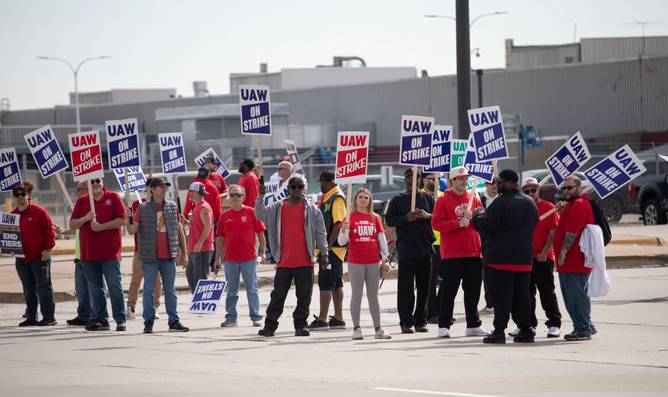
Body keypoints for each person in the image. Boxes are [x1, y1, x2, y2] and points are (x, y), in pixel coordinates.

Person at [255, 176, 329, 337]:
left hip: (305, 262)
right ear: (288, 188)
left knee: (304, 297)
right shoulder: (277, 207)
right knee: (277, 297)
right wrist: (260, 197)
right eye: (293, 186)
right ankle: (269, 327)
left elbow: (320, 233)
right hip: (284, 262)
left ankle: (301, 326)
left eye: (300, 186)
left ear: (305, 188)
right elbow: (260, 216)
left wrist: (324, 253)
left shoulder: (312, 209)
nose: (296, 189)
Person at [472, 169, 538, 344]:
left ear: (509, 182)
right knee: (522, 296)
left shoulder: (501, 203)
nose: (496, 184)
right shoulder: (530, 202)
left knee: (501, 297)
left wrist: (477, 217)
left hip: (500, 260)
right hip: (523, 259)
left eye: (499, 181)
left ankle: (499, 331)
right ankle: (526, 329)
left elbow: (487, 226)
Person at [432, 166, 489, 338]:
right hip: (452, 253)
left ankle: (473, 324)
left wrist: (477, 218)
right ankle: (444, 325)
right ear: (452, 181)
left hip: (473, 252)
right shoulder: (443, 200)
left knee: (473, 291)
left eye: (465, 179)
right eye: (460, 179)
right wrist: (458, 224)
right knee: (449, 291)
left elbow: (482, 223)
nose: (464, 181)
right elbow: (436, 224)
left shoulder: (474, 197)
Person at [127, 177, 189, 334]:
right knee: (148, 290)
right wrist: (128, 218)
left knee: (170, 291)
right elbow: (132, 230)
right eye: (161, 186)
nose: (164, 189)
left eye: (165, 186)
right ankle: (148, 321)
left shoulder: (172, 207)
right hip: (150, 257)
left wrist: (184, 253)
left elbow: (179, 230)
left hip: (168, 256)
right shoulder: (142, 208)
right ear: (152, 189)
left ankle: (174, 321)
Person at [70, 177, 127, 331]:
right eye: (92, 182)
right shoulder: (82, 201)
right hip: (88, 254)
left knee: (114, 286)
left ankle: (120, 320)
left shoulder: (113, 197)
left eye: (97, 181)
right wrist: (85, 218)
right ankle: (102, 320)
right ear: (87, 184)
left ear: (102, 182)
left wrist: (102, 227)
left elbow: (123, 220)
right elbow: (72, 224)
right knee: (95, 289)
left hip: (110, 252)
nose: (95, 184)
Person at [337, 188, 392, 340]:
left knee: (373, 295)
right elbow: (341, 242)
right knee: (356, 295)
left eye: (366, 197)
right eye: (360, 197)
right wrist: (345, 229)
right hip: (355, 261)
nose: (363, 199)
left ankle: (378, 329)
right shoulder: (349, 217)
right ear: (355, 200)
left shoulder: (375, 218)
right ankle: (356, 328)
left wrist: (385, 260)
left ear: (370, 200)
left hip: (373, 262)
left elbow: (381, 240)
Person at [385, 168, 434, 334]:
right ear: (405, 179)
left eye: (417, 177)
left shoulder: (427, 197)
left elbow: (437, 217)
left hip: (425, 248)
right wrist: (406, 218)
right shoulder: (397, 200)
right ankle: (406, 322)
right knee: (406, 288)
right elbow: (389, 220)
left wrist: (427, 216)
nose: (414, 180)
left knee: (424, 287)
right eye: (410, 177)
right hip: (406, 249)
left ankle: (420, 320)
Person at [513, 177, 562, 338]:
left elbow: (553, 232)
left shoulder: (547, 207)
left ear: (538, 190)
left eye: (533, 190)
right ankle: (528, 324)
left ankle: (554, 323)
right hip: (525, 258)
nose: (530, 193)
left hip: (543, 258)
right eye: (526, 191)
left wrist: (545, 252)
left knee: (547, 291)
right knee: (526, 294)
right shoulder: (521, 207)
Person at [215, 184, 266, 327]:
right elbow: (220, 238)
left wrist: (262, 252)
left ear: (243, 197)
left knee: (252, 288)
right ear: (229, 198)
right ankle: (231, 318)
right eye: (232, 195)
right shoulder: (224, 216)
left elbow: (260, 233)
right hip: (230, 259)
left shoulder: (252, 212)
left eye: (238, 195)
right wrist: (217, 258)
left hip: (249, 258)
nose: (235, 198)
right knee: (232, 290)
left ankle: (256, 317)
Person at [553, 175, 596, 341]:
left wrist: (563, 253)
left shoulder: (579, 204)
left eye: (569, 187)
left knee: (576, 297)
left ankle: (583, 329)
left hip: (574, 261)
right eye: (563, 188)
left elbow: (571, 233)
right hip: (569, 262)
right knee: (573, 296)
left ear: (579, 187)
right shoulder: (572, 204)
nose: (565, 190)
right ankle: (586, 325)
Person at [11, 181, 57, 327]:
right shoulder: (12, 216)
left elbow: (50, 231)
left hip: (40, 257)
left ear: (28, 195)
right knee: (28, 288)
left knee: (44, 287)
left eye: (22, 194)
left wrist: (48, 249)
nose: (19, 197)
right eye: (16, 195)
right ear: (13, 198)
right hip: (22, 259)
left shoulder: (39, 212)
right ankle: (31, 317)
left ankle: (49, 317)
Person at [308, 170, 347, 331]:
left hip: (332, 249)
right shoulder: (329, 196)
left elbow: (338, 224)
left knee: (325, 283)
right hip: (332, 249)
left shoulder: (336, 197)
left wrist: (327, 247)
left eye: (322, 182)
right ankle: (338, 318)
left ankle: (323, 319)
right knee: (336, 283)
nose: (321, 185)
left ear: (329, 182)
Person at [54, 181, 92, 326]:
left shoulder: (92, 207)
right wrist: (64, 231)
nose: (76, 192)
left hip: (90, 255)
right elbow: (77, 227)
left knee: (92, 288)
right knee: (81, 289)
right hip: (79, 255)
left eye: (79, 189)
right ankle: (83, 315)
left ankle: (95, 315)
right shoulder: (80, 206)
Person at [126, 185, 162, 320]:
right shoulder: (136, 203)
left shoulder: (160, 205)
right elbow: (131, 229)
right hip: (140, 249)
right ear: (149, 188)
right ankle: (131, 307)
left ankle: (155, 307)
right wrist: (127, 218)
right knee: (136, 279)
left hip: (156, 249)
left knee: (157, 281)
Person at [422, 172, 443, 324]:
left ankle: (441, 308)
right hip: (430, 243)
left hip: (446, 241)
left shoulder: (442, 195)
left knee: (448, 278)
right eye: (432, 178)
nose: (436, 181)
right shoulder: (419, 196)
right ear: (424, 180)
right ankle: (430, 312)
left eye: (438, 178)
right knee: (431, 280)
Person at [186, 182, 214, 293]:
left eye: (191, 192)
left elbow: (208, 226)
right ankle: (197, 300)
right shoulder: (197, 206)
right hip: (195, 247)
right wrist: (188, 222)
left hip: (202, 248)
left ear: (194, 193)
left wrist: (200, 242)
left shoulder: (203, 207)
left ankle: (202, 302)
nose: (189, 194)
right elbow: (199, 225)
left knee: (200, 277)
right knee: (191, 274)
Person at [479, 179, 498, 315]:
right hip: (483, 240)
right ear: (486, 184)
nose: (494, 187)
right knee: (486, 273)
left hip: (500, 240)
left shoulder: (502, 199)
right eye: (491, 183)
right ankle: (490, 303)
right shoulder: (479, 198)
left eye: (497, 184)